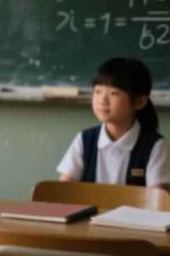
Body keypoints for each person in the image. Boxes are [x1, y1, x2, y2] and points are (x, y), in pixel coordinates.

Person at [57, 57, 168, 189]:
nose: (102, 100)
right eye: (98, 92)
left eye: (113, 93)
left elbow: (158, 201)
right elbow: (62, 192)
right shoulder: (85, 140)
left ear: (140, 102)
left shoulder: (155, 146)